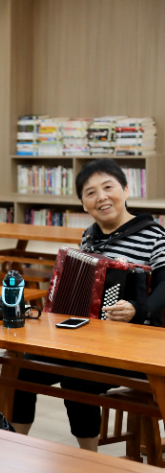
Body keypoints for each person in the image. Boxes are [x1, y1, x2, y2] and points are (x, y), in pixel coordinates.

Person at [11, 158, 165, 451]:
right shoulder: (90, 237)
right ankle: (15, 446)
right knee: (25, 367)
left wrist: (137, 308)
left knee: (77, 380)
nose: (101, 197)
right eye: (91, 193)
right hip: (90, 339)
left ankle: (89, 459)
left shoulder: (154, 235)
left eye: (108, 188)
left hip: (137, 346)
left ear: (126, 190)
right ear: (83, 204)